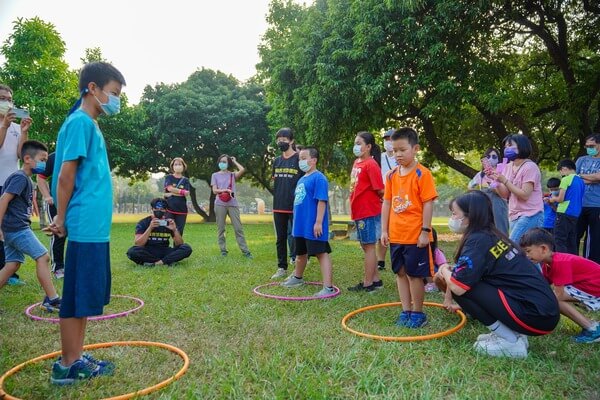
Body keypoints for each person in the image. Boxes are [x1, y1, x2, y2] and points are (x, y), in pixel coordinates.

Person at [48, 62, 126, 385]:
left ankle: (76, 355)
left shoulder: (90, 125)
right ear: (92, 89)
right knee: (75, 297)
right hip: (82, 224)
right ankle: (67, 365)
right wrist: (62, 219)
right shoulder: (80, 123)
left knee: (83, 297)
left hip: (94, 227)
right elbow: (66, 177)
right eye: (113, 93)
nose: (116, 100)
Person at [435, 191, 560, 358]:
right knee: (465, 279)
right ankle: (514, 335)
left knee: (464, 287)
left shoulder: (478, 240)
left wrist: (443, 268)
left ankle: (509, 342)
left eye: (454, 214)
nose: (452, 218)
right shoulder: (492, 235)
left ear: (469, 216)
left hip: (535, 316)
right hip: (543, 312)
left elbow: (458, 286)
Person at [380, 127, 438, 328]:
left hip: (415, 237)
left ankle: (418, 313)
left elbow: (428, 203)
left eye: (402, 150)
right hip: (396, 236)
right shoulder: (391, 175)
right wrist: (384, 230)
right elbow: (387, 203)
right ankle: (405, 310)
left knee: (415, 275)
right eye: (394, 150)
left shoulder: (423, 174)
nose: (397, 154)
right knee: (400, 273)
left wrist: (425, 231)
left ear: (415, 149)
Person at [0, 140, 61, 310]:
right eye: (42, 159)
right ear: (27, 158)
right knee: (43, 257)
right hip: (16, 229)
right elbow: (3, 200)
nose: (45, 164)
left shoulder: (24, 179)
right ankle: (52, 299)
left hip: (14, 228)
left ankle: (51, 298)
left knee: (12, 264)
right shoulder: (20, 178)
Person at [520, 228, 600, 344]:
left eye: (528, 251)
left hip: (595, 286)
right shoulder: (547, 265)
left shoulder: (560, 263)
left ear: (543, 249)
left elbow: (559, 295)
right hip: (588, 286)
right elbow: (542, 287)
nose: (526, 256)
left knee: (554, 300)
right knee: (551, 297)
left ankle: (592, 329)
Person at [281, 147, 334, 297]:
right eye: (299, 158)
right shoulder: (301, 179)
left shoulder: (319, 178)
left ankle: (328, 288)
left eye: (304, 158)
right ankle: (297, 278)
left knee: (321, 254)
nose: (301, 161)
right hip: (300, 226)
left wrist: (318, 222)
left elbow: (322, 201)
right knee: (300, 253)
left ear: (314, 160)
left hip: (313, 226)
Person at [0, 83, 32, 286]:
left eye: (10, 99)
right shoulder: (5, 125)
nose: (7, 102)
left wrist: (24, 132)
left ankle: (9, 271)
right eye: (3, 98)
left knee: (10, 227)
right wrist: (3, 125)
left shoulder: (14, 126)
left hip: (12, 184)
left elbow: (22, 154)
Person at [348, 131, 384, 292]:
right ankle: (376, 280)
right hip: (359, 211)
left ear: (368, 147)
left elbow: (380, 190)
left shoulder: (371, 164)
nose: (356, 147)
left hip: (368, 210)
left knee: (369, 246)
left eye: (359, 143)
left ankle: (368, 283)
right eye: (355, 143)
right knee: (365, 245)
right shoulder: (357, 162)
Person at [490, 134, 543, 243]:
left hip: (530, 214)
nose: (506, 149)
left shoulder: (530, 167)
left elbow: (525, 195)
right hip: (514, 214)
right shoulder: (508, 166)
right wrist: (496, 181)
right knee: (524, 250)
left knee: (512, 245)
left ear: (521, 146)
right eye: (505, 147)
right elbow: (505, 194)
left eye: (510, 146)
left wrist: (504, 180)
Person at [271, 128, 303, 279]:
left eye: (284, 139)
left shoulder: (299, 159)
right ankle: (281, 267)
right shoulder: (276, 161)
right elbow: (275, 182)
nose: (281, 142)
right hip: (278, 206)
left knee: (296, 237)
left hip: (295, 206)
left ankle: (297, 266)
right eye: (278, 139)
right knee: (280, 238)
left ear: (291, 141)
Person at [126, 198, 192, 266]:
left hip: (164, 250)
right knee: (132, 251)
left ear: (166, 210)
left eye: (162, 209)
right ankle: (166, 261)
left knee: (186, 248)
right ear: (152, 209)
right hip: (148, 250)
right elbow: (138, 244)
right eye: (156, 209)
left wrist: (174, 230)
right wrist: (150, 228)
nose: (159, 211)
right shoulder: (144, 222)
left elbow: (179, 244)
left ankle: (156, 263)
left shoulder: (169, 222)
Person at [210, 154, 252, 258]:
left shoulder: (232, 175)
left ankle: (246, 251)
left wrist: (235, 161)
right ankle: (223, 250)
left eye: (225, 162)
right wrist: (224, 190)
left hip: (232, 203)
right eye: (221, 161)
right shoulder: (214, 175)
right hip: (220, 203)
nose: (222, 163)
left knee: (238, 228)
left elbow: (242, 169)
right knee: (221, 229)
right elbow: (214, 190)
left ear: (228, 164)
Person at [37, 152, 66, 278]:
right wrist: (47, 196)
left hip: (75, 204)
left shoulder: (81, 156)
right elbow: (40, 176)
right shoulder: (53, 157)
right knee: (59, 234)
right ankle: (58, 268)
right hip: (55, 203)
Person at [467, 148, 509, 235]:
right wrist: (479, 191)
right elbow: (470, 187)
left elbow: (504, 193)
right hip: (484, 207)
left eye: (494, 157)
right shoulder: (480, 175)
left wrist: (493, 184)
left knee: (501, 232)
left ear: (498, 159)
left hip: (499, 207)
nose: (491, 159)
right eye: (488, 156)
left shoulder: (503, 173)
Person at [548, 159, 585, 255]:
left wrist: (552, 199)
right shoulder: (581, 181)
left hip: (564, 212)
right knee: (571, 241)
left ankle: (562, 262)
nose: (561, 174)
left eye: (561, 172)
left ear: (564, 169)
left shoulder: (565, 179)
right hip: (576, 213)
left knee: (559, 239)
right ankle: (574, 263)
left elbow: (560, 199)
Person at [576, 133, 600, 263]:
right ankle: (573, 263)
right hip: (579, 204)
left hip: (596, 205)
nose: (589, 148)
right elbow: (573, 178)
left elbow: (599, 177)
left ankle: (591, 265)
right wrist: (592, 178)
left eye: (592, 146)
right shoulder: (581, 160)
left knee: (593, 239)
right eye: (587, 146)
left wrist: (582, 176)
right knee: (574, 235)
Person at [377, 129, 398, 271]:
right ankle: (381, 261)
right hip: (381, 197)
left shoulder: (400, 157)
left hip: (397, 198)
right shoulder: (379, 157)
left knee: (395, 230)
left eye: (391, 139)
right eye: (386, 139)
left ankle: (397, 257)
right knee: (382, 230)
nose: (388, 142)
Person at [164, 157, 190, 235]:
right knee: (169, 229)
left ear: (183, 166)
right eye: (176, 164)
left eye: (179, 164)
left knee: (179, 231)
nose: (178, 166)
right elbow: (169, 188)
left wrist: (172, 192)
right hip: (169, 208)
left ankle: (177, 246)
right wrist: (181, 192)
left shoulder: (185, 180)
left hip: (182, 209)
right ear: (172, 166)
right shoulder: (169, 177)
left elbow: (187, 193)